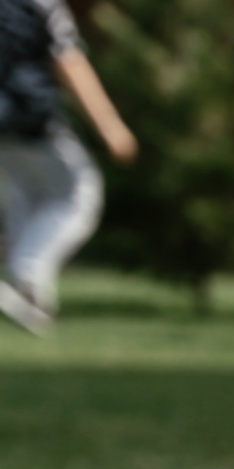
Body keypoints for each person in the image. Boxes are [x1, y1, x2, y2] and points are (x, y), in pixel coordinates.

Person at [0, 0, 134, 336]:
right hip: (29, 118)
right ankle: (26, 283)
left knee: (25, 204)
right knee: (79, 195)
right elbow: (69, 61)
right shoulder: (40, 5)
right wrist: (110, 125)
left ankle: (34, 305)